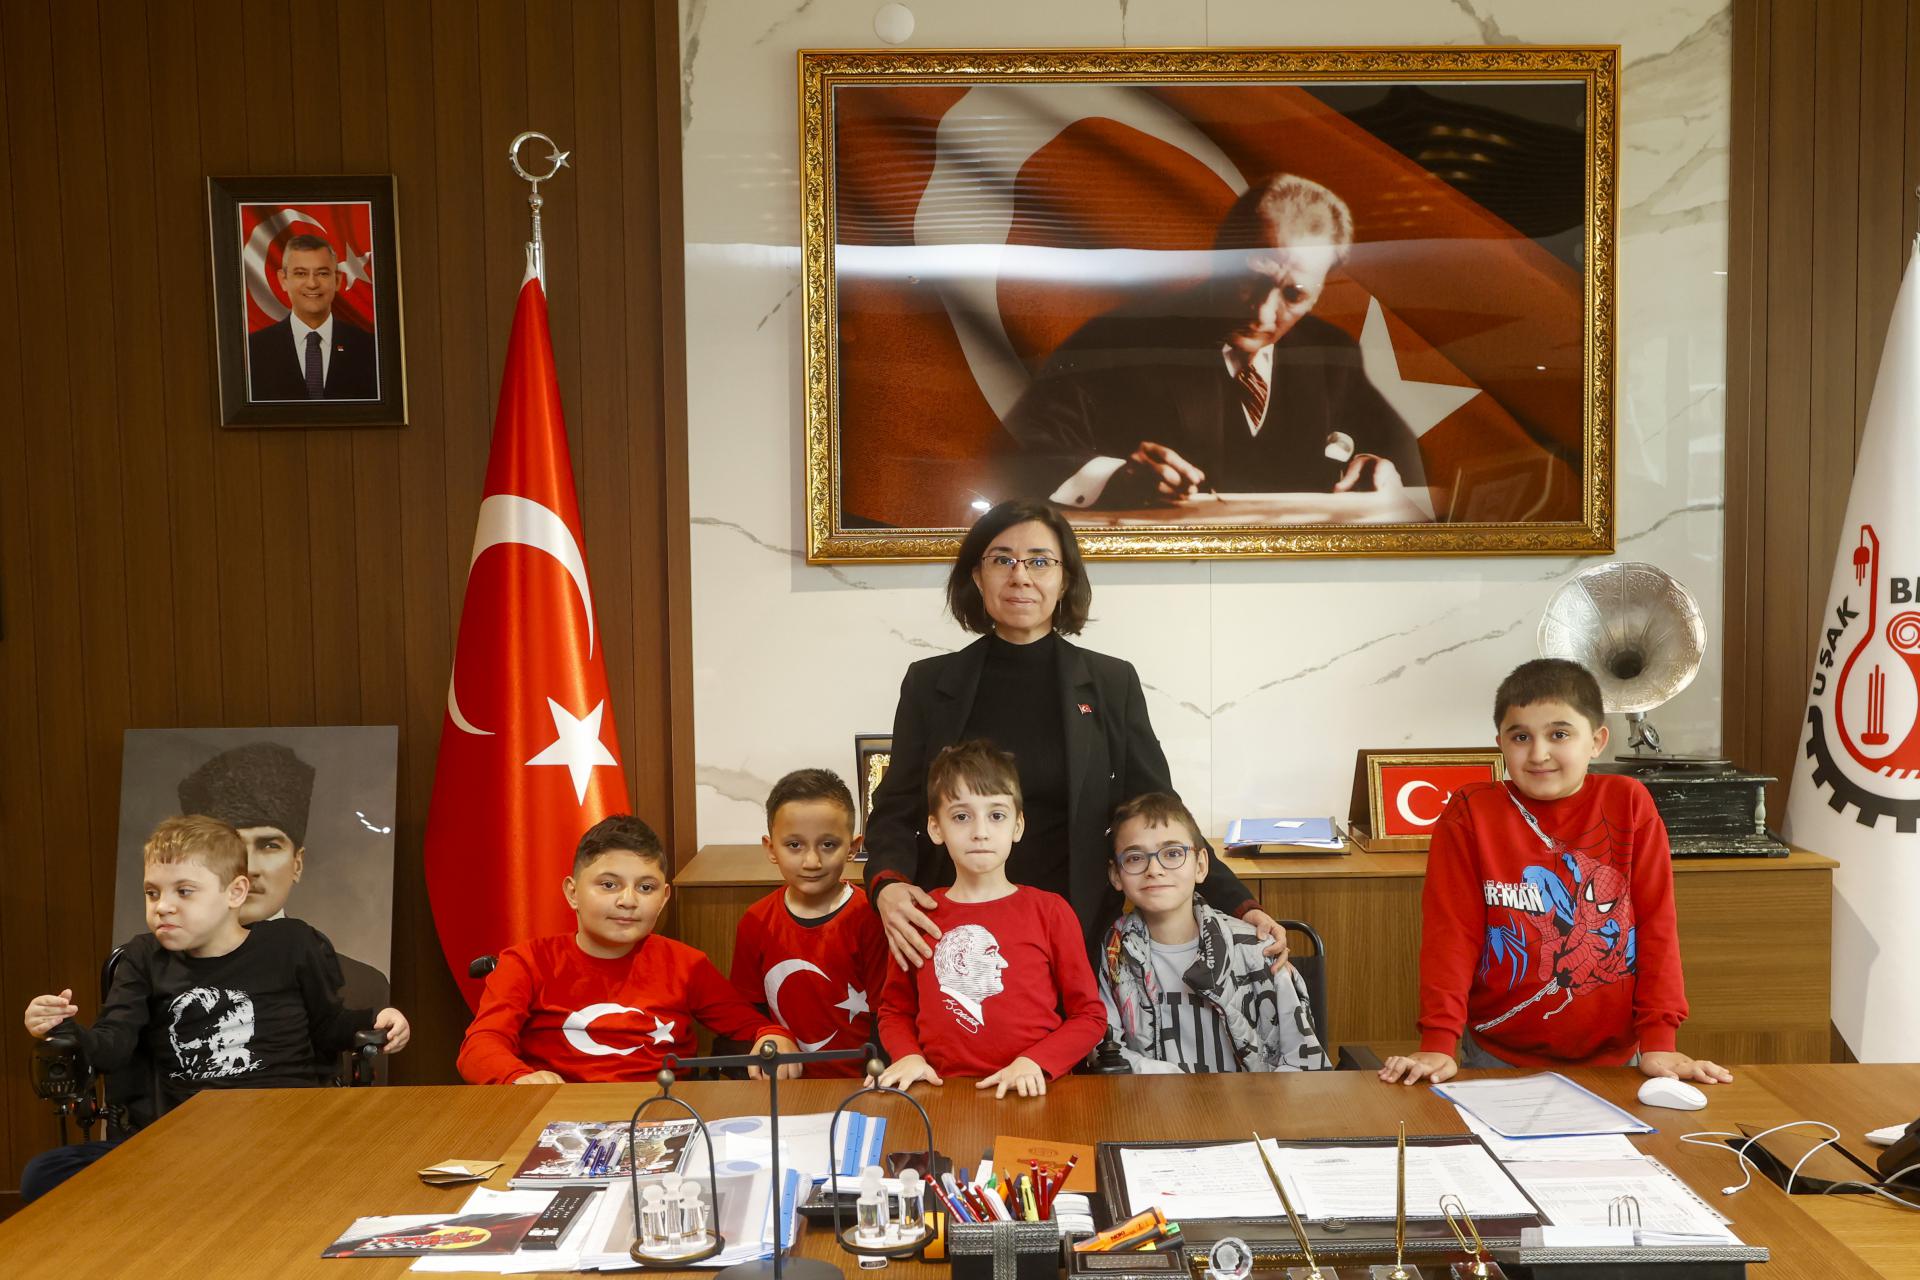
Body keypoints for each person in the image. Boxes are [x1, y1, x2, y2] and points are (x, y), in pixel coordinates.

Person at [862, 498, 1286, 967]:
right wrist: (887, 885)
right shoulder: (929, 683)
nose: (1020, 576)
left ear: (1064, 580)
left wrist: (1241, 905)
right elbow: (896, 808)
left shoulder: (1111, 683)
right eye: (1002, 560)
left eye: (1039, 561)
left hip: (1074, 928)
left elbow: (1159, 810)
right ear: (977, 576)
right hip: (954, 929)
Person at [1378, 658, 1733, 1087]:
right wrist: (1438, 1042)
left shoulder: (1629, 802)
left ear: (1597, 741)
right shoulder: (1470, 811)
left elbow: (1657, 925)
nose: (1538, 753)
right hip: (1495, 1054)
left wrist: (1660, 1041)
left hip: (1618, 1058)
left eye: (1559, 734)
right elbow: (1450, 933)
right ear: (1500, 743)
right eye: (1520, 737)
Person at [19, 815, 409, 1201]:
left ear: (235, 892)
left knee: (390, 1161)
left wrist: (376, 1020)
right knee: (45, 1173)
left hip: (287, 1133)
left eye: (184, 892)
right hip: (184, 1141)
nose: (163, 907)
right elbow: (112, 1044)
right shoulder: (143, 958)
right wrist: (63, 1030)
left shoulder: (291, 944)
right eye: (152, 893)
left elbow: (328, 1027)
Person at [1002, 173, 1423, 510]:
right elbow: (1017, 452)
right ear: (1219, 255)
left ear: (1319, 292)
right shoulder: (1118, 338)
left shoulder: (1331, 352)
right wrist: (1115, 477)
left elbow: (1402, 459)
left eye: (1294, 295)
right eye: (1249, 278)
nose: (1262, 314)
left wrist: (1380, 468)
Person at [458, 814, 800, 1084]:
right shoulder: (526, 962)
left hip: (662, 1112)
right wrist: (519, 1078)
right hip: (558, 1116)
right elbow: (479, 1047)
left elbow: (755, 1027)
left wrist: (774, 1036)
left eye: (646, 888)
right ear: (573, 893)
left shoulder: (687, 965)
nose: (627, 900)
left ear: (663, 898)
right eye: (609, 885)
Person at [875, 742, 1106, 1098]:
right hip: (942, 1094)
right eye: (961, 817)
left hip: (1033, 1093)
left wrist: (1036, 1062)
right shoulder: (918, 914)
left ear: (1018, 825)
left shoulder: (1050, 911)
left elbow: (1089, 1015)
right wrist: (908, 1056)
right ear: (936, 828)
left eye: (996, 815)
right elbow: (894, 1010)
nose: (980, 831)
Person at [1098, 792, 1328, 1074]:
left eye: (1172, 853)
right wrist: (1164, 1080)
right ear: (1115, 875)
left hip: (1255, 1101)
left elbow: (1304, 1064)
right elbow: (1105, 1049)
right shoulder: (1114, 951)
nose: (1154, 869)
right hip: (1153, 1100)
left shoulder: (1257, 949)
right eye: (1135, 858)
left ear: (1201, 866)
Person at [177, 740, 386, 1003]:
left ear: (297, 864)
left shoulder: (360, 987)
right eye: (229, 847)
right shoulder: (155, 980)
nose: (249, 868)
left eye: (269, 845)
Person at [729, 769, 889, 1076]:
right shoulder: (756, 921)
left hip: (862, 1084)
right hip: (783, 1086)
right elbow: (745, 1013)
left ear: (854, 847)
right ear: (770, 848)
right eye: (794, 845)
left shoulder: (871, 918)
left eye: (828, 845)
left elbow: (888, 1017)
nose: (812, 862)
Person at [245, 233, 378, 401]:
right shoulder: (252, 350)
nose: (312, 284)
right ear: (283, 280)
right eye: (301, 274)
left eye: (322, 273)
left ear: (337, 280)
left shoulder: (370, 349)